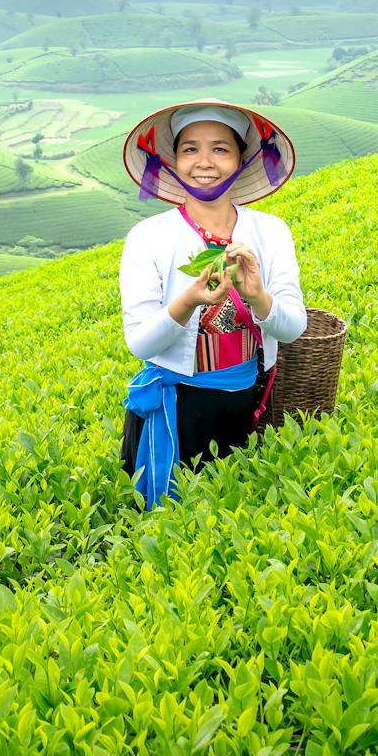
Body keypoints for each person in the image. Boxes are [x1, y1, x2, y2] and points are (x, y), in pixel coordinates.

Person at [117, 98, 307, 509]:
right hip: (176, 408)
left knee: (231, 520)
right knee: (167, 530)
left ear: (242, 158)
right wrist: (187, 301)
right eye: (190, 149)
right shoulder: (148, 237)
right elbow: (140, 344)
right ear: (173, 161)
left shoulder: (271, 232)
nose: (204, 161)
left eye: (220, 148)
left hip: (244, 404)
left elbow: (293, 327)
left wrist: (257, 295)